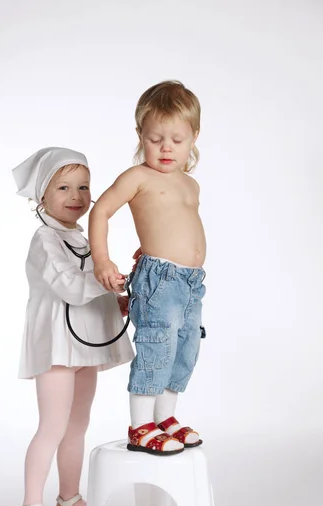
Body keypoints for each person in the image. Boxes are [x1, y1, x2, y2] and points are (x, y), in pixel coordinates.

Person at [12, 147, 134, 506]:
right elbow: (67, 285)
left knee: (77, 425)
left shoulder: (83, 239)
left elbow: (90, 289)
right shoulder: (45, 240)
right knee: (52, 425)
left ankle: (68, 500)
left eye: (83, 187)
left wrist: (117, 296)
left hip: (85, 347)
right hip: (57, 348)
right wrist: (104, 278)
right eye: (63, 187)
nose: (76, 196)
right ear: (41, 195)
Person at [89, 80, 206, 457]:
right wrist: (102, 260)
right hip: (161, 282)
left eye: (177, 138)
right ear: (141, 135)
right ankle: (140, 426)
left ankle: (165, 417)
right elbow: (101, 211)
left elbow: (172, 223)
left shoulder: (190, 183)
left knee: (184, 349)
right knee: (156, 347)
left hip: (191, 283)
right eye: (156, 139)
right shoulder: (137, 177)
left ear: (194, 137)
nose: (166, 147)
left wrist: (157, 241)